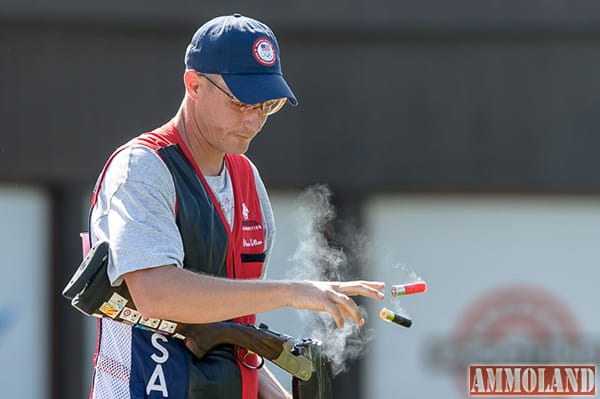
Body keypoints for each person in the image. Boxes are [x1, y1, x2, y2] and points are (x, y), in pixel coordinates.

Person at [86, 13, 385, 399]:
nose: (254, 122)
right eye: (241, 103)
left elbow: (229, 331)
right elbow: (155, 293)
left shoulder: (248, 180)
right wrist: (293, 291)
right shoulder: (143, 166)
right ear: (194, 84)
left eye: (266, 106)